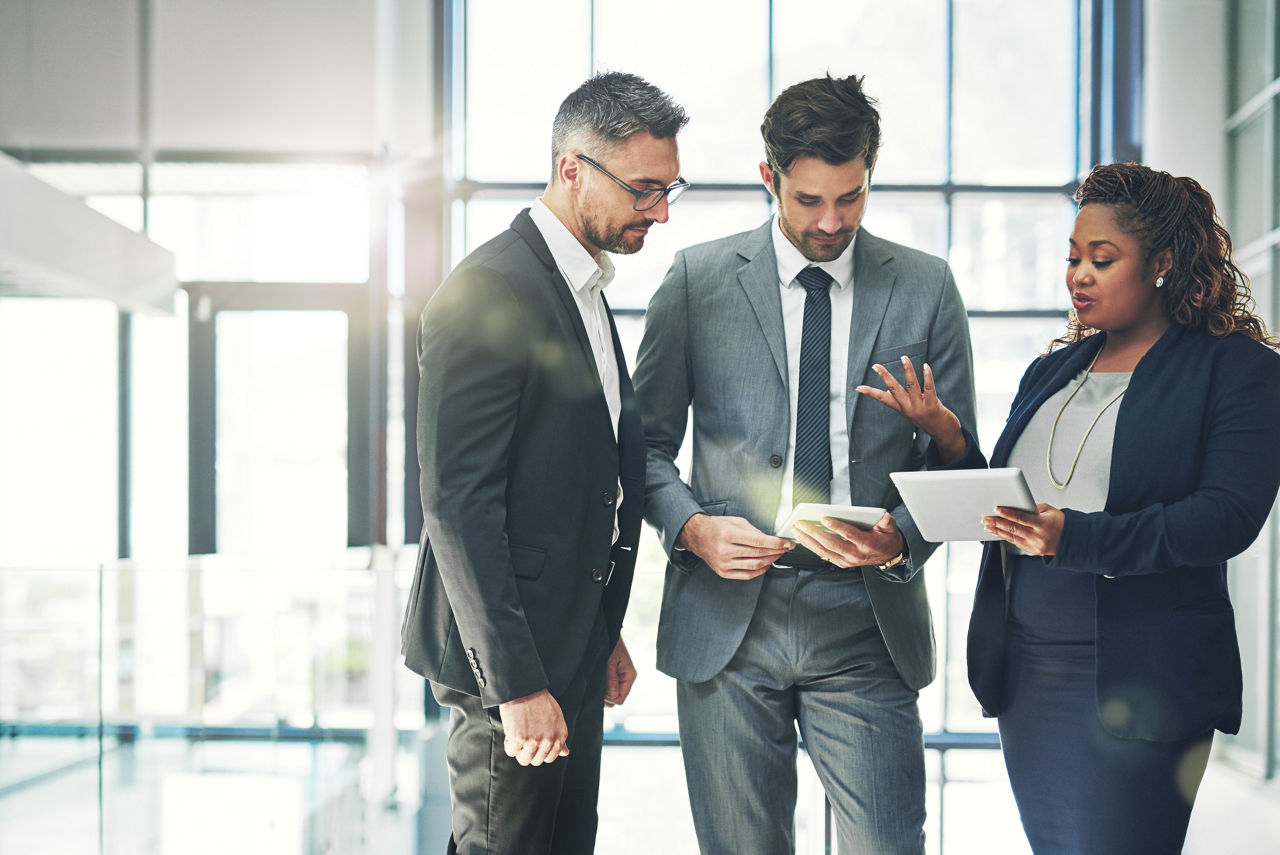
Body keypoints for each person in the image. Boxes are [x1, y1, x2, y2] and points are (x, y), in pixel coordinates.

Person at [857, 162, 1280, 854]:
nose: (1078, 275)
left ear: (1164, 263)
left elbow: (1226, 518)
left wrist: (1074, 538)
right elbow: (1002, 505)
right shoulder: (1052, 371)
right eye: (1073, 257)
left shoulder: (1237, 370)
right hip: (1030, 672)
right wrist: (949, 436)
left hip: (1142, 679)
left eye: (1101, 259)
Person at [633, 74, 977, 854]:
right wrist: (691, 529)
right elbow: (644, 449)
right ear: (770, 179)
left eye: (851, 198)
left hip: (865, 620)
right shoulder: (696, 282)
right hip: (728, 617)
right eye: (809, 200)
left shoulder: (926, 288)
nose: (831, 222)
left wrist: (902, 538)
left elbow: (959, 461)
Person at [399, 71, 689, 855]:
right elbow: (458, 503)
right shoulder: (486, 291)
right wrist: (517, 684)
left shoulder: (582, 283)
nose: (660, 211)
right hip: (509, 664)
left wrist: (600, 631)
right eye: (644, 190)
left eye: (670, 189)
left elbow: (583, 478)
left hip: (568, 644)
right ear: (573, 169)